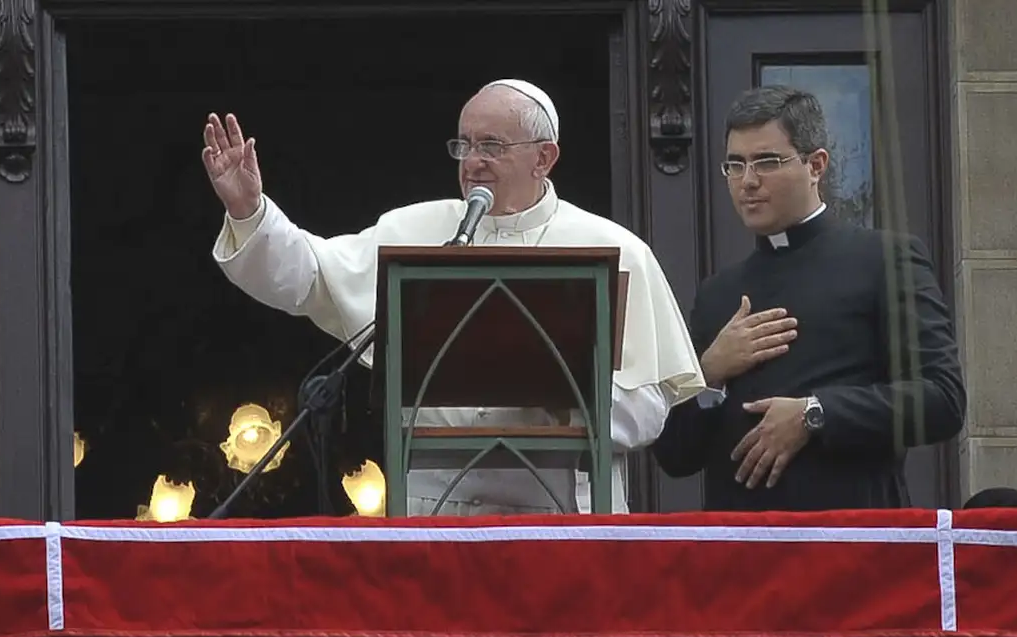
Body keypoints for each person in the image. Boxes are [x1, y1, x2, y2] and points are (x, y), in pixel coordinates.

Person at [203, 79, 706, 516]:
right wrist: (251, 212)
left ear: (544, 157)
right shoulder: (414, 230)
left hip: (561, 513)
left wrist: (557, 392)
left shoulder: (615, 250)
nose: (473, 162)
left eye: (491, 145)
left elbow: (648, 410)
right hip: (432, 510)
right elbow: (310, 275)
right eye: (463, 146)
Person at [653, 85, 965, 511]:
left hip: (854, 543)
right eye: (735, 165)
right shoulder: (717, 295)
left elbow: (943, 400)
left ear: (816, 164)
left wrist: (815, 414)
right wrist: (709, 372)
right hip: (742, 556)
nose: (748, 181)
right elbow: (673, 455)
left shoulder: (883, 261)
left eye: (767, 161)